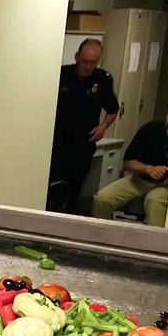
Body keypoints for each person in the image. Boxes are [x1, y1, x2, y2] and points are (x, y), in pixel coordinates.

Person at [47, 39, 120, 214]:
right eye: (84, 61)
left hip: (83, 145)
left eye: (93, 63)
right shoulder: (62, 74)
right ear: (77, 57)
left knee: (73, 191)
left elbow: (113, 109)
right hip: (57, 143)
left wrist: (103, 126)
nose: (87, 67)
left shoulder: (103, 79)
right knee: (53, 190)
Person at [91, 97, 168, 227]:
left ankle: (153, 246)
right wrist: (148, 169)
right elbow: (128, 162)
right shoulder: (150, 130)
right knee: (102, 199)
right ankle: (103, 239)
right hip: (139, 181)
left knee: (154, 201)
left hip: (166, 187)